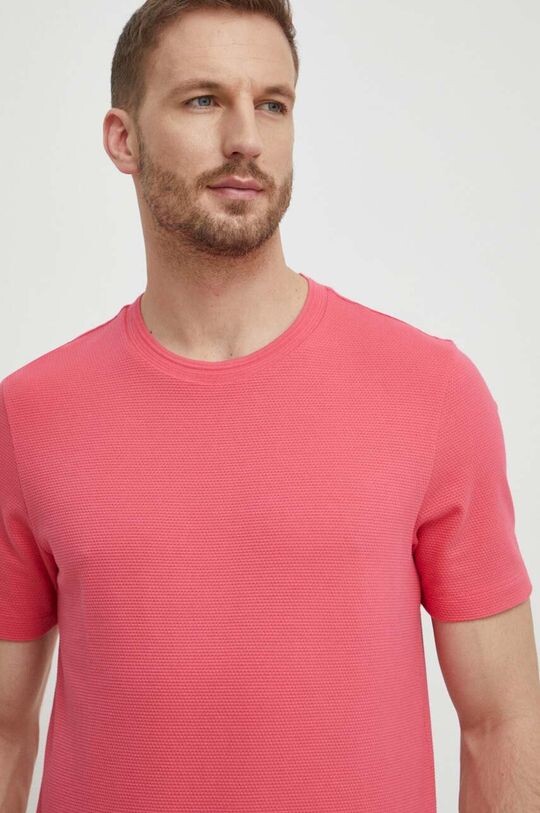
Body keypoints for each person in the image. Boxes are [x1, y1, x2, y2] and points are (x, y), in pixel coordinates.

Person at [0, 2, 538, 812]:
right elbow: (6, 728)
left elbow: (503, 723)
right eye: (204, 99)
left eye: (273, 104)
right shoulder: (31, 414)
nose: (246, 137)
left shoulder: (431, 392)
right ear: (123, 138)